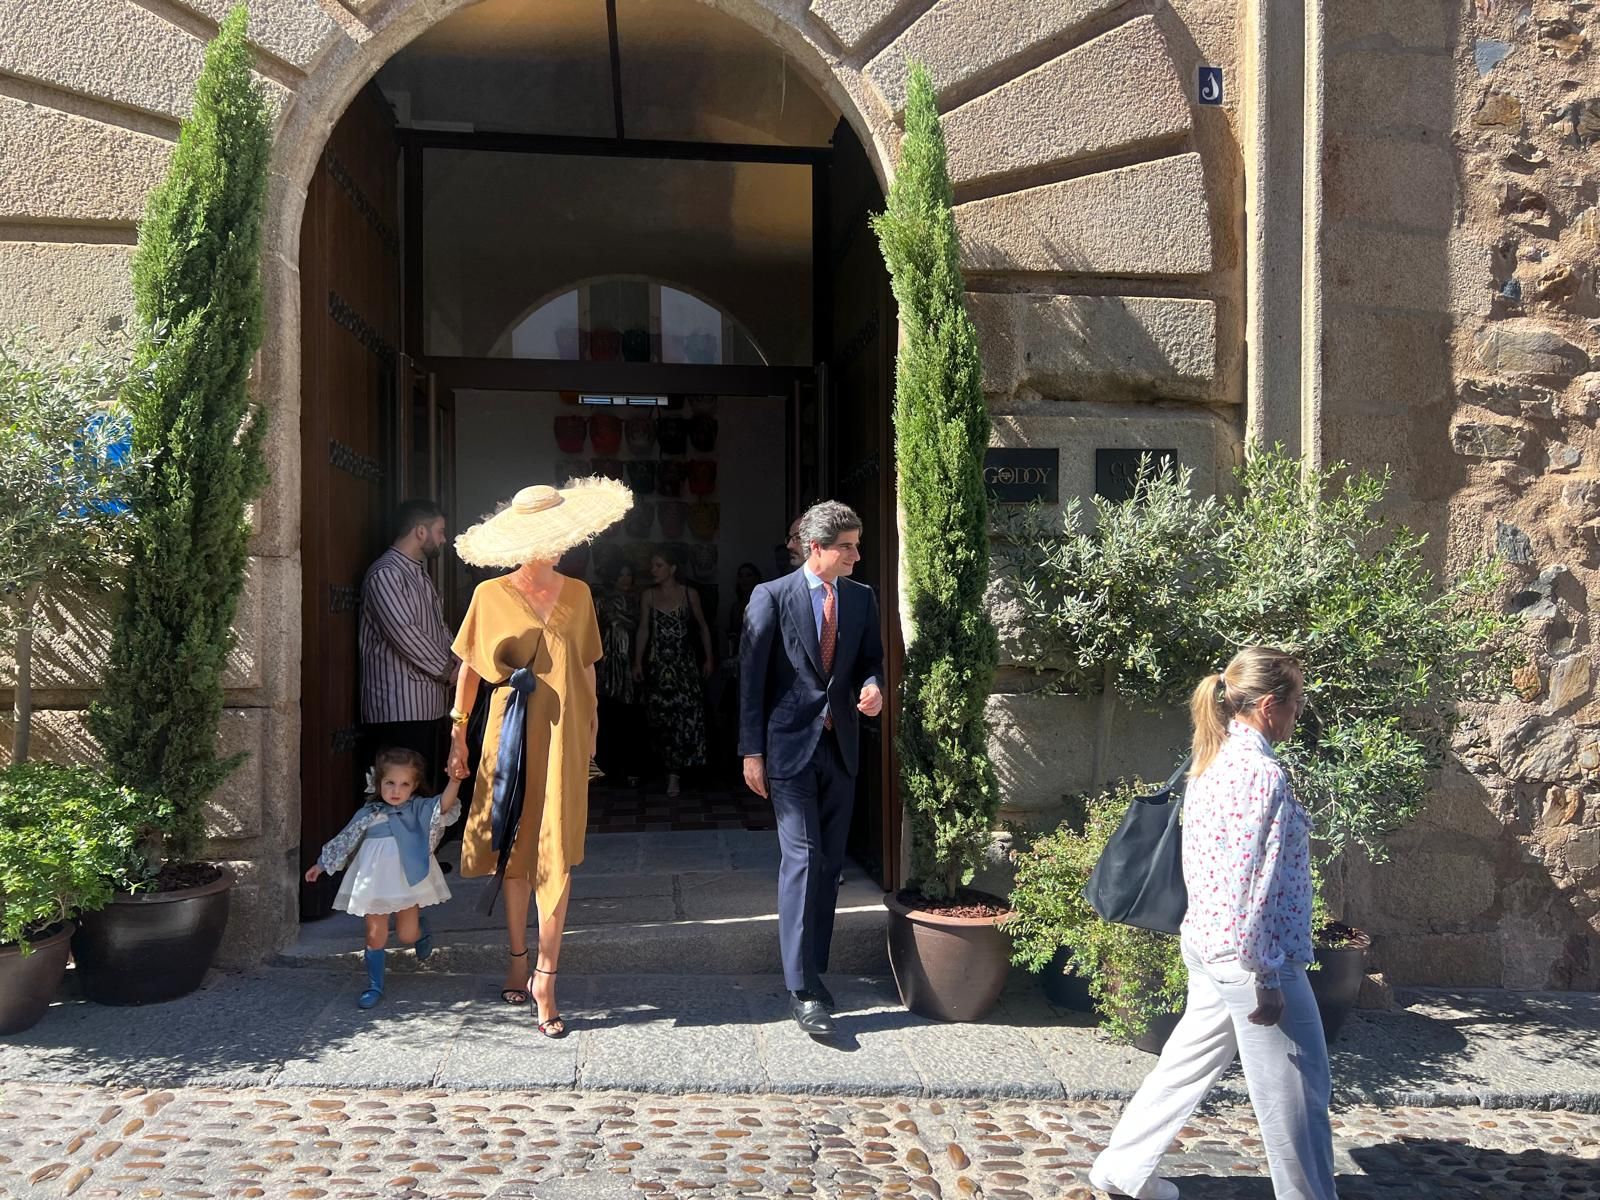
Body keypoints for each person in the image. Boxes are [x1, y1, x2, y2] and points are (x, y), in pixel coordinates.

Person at [1089, 647, 1333, 1200]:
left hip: (1210, 943)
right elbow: (1258, 880)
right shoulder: (1260, 772)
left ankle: (1122, 1170)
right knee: (1298, 1097)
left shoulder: (1213, 758)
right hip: (1250, 959)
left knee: (1185, 1065)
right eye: (1297, 703)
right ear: (1270, 705)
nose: (1299, 713)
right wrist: (1266, 977)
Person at [446, 478, 631, 1039]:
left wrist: (592, 733)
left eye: (559, 535)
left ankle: (547, 976)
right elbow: (470, 669)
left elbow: (589, 668)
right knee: (514, 845)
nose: (553, 545)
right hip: (508, 731)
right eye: (541, 536)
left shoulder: (579, 595)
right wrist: (457, 733)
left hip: (566, 733)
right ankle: (517, 957)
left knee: (557, 848)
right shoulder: (489, 596)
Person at [739, 500, 884, 1037]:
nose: (856, 555)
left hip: (840, 746)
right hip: (787, 749)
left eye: (856, 545)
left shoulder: (862, 598)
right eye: (846, 546)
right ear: (815, 548)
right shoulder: (771, 597)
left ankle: (815, 969)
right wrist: (750, 752)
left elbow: (872, 659)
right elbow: (751, 681)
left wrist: (873, 687)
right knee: (800, 857)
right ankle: (801, 989)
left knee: (828, 864)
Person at [304, 747, 469, 1009]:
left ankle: (421, 930)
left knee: (406, 934)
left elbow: (443, 806)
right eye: (390, 783)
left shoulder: (417, 809)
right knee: (375, 934)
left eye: (404, 784)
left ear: (414, 787)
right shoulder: (368, 814)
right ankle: (374, 985)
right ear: (378, 782)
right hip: (374, 880)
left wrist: (455, 780)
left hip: (406, 878)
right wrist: (322, 864)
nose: (396, 790)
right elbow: (346, 838)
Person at [359, 499, 456, 779]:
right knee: (399, 796)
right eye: (440, 531)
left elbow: (436, 627)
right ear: (420, 532)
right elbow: (405, 632)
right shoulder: (386, 573)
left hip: (426, 705)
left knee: (422, 795)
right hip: (399, 708)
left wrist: (459, 657)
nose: (443, 539)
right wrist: (449, 670)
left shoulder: (417, 573)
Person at [632, 547, 714, 798]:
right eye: (653, 566)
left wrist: (710, 658)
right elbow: (643, 629)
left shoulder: (690, 594)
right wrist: (637, 661)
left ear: (672, 569)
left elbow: (702, 627)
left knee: (686, 717)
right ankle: (665, 770)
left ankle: (678, 775)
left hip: (684, 666)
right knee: (660, 718)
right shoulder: (649, 596)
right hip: (659, 666)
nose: (653, 570)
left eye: (658, 565)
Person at [594, 559, 644, 786]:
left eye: (629, 575)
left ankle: (634, 768)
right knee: (608, 718)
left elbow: (643, 631)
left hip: (631, 663)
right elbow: (593, 633)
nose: (626, 579)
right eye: (622, 574)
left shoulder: (638, 601)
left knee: (632, 719)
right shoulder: (602, 603)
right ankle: (608, 769)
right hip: (608, 665)